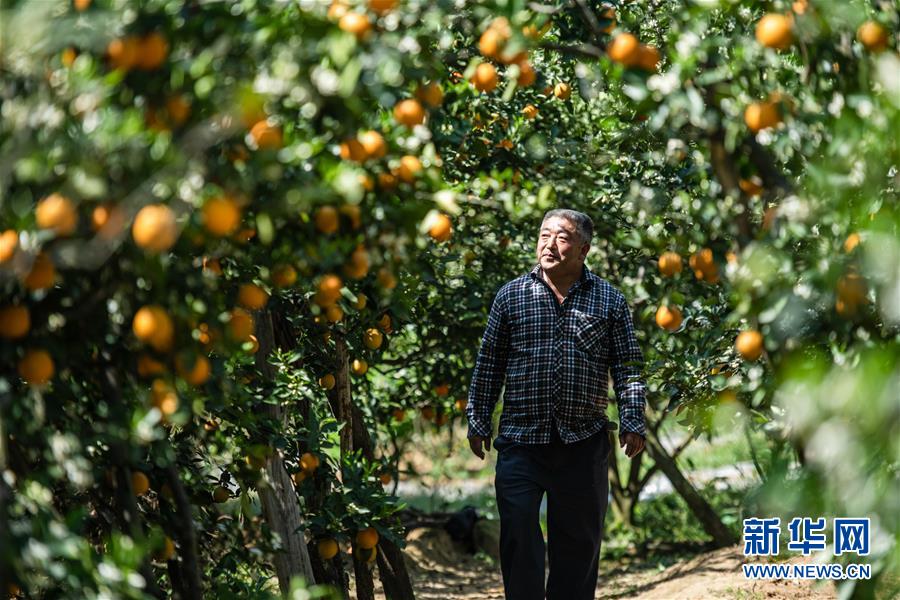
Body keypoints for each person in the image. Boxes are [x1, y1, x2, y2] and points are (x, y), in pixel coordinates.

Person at [465, 208, 647, 600]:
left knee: (578, 546)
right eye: (544, 235)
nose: (549, 245)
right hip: (520, 440)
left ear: (583, 249)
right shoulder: (512, 295)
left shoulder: (609, 300)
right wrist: (478, 419)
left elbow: (628, 366)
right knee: (519, 531)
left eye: (561, 237)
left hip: (583, 441)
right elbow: (489, 364)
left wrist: (633, 419)